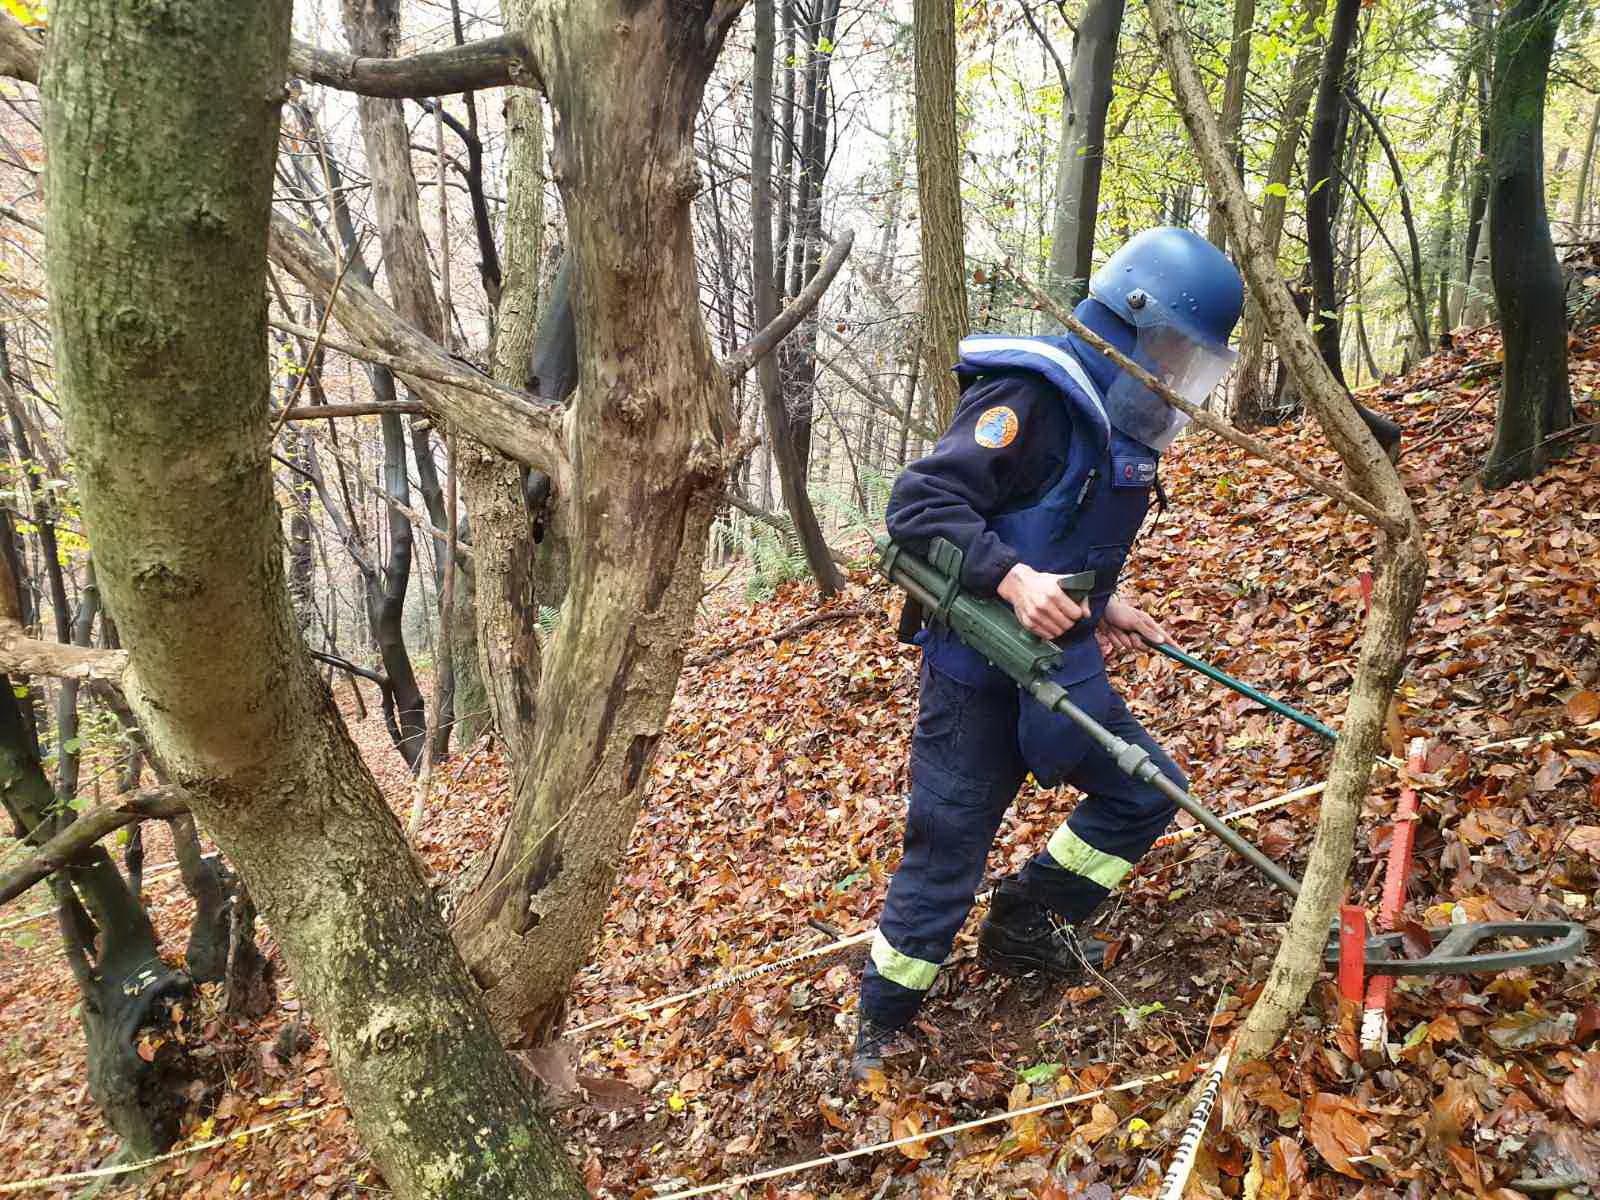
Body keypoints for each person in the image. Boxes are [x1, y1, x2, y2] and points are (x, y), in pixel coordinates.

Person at [852, 226, 1245, 1081]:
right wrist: (1010, 577)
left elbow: (1063, 526)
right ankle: (882, 1024)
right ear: (1128, 320)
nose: (1177, 376)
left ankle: (1029, 920)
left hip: (1060, 664)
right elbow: (919, 506)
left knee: (1146, 790)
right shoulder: (1030, 395)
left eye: (1192, 360)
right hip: (972, 677)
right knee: (947, 847)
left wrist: (1104, 604)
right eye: (1172, 350)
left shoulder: (1123, 425)